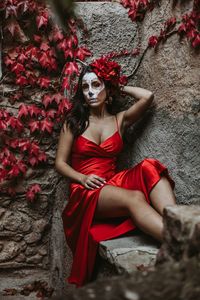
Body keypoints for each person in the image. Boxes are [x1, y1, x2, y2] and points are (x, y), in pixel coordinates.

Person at [55, 57, 176, 287]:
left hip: (113, 181)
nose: (90, 92)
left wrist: (115, 83)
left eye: (96, 85)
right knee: (135, 197)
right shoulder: (74, 122)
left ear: (107, 89)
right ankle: (179, 241)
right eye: (85, 87)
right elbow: (60, 163)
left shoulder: (119, 120)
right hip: (87, 190)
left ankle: (176, 221)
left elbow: (147, 96)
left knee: (150, 165)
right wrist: (83, 177)